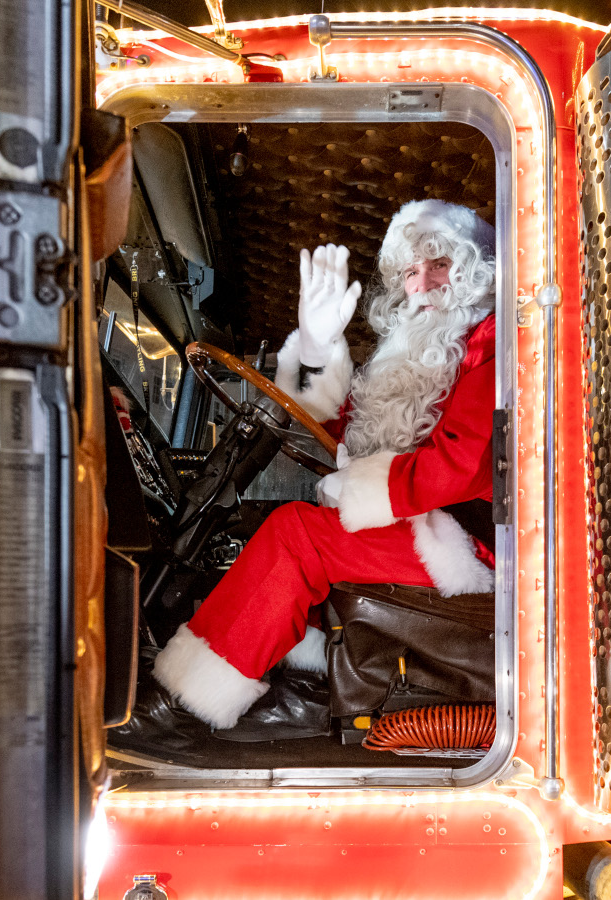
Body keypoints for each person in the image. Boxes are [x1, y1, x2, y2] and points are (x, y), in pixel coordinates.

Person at [152, 199, 499, 730]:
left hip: (469, 542)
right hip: (426, 520)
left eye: (439, 264)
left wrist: (360, 489)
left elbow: (462, 464)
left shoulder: (493, 345)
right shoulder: (424, 352)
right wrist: (316, 351)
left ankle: (184, 704)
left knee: (298, 535)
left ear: (473, 271)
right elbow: (352, 430)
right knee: (281, 523)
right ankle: (304, 684)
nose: (422, 283)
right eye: (411, 271)